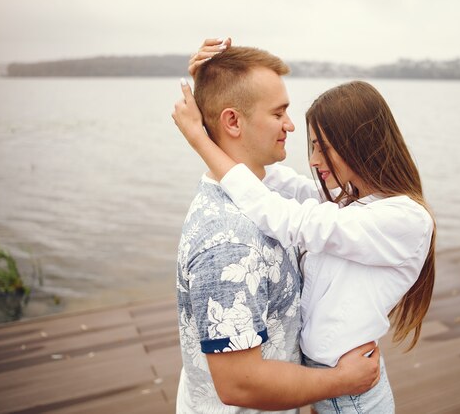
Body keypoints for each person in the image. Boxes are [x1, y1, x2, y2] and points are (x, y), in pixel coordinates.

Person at [173, 41, 436, 413]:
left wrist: (206, 132)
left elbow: (279, 205)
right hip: (335, 385)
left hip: (348, 395)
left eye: (321, 147)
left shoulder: (394, 217)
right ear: (232, 121)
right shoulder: (229, 242)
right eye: (279, 113)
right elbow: (274, 186)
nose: (310, 157)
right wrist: (211, 98)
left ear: (357, 145)